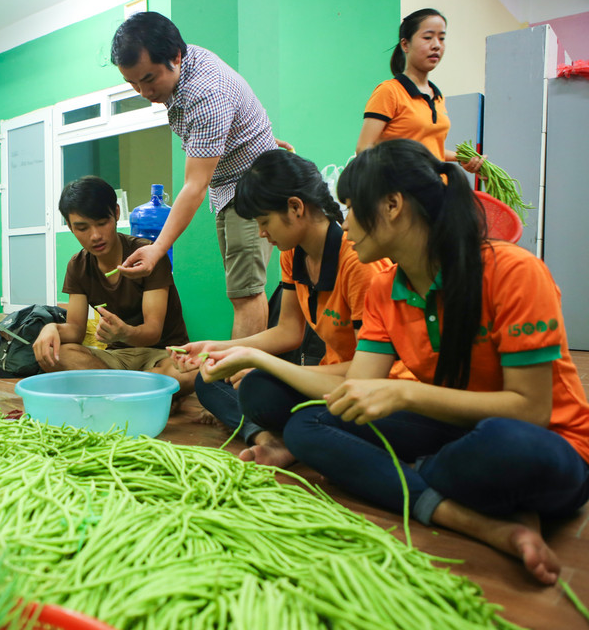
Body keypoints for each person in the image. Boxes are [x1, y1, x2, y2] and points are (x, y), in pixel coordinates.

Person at [198, 139, 589, 585]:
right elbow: (353, 391)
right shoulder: (387, 288)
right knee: (309, 427)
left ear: (392, 205)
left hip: (543, 439)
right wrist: (251, 359)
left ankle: (422, 478)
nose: (345, 223)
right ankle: (470, 511)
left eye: (349, 208)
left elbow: (533, 411)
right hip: (449, 431)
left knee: (504, 444)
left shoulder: (515, 272)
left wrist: (403, 392)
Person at [173, 150, 396, 465]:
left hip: (356, 385)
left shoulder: (360, 263)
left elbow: (367, 372)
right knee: (209, 380)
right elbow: (289, 331)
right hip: (321, 381)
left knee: (257, 388)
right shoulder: (293, 253)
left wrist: (267, 366)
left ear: (295, 207)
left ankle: (281, 435)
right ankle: (270, 438)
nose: (263, 233)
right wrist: (218, 349)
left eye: (265, 222)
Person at [110, 11, 289, 339]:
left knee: (246, 292)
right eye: (132, 83)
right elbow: (237, 108)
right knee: (242, 290)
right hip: (231, 185)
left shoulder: (205, 95)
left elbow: (195, 185)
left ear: (175, 57)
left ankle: (242, 384)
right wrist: (260, 136)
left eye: (148, 79)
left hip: (252, 189)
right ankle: (241, 376)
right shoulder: (186, 63)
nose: (142, 91)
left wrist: (158, 247)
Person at [33, 176, 195, 395]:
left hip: (163, 355)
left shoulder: (147, 255)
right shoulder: (78, 265)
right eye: (82, 228)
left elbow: (153, 332)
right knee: (57, 354)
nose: (96, 236)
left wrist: (123, 332)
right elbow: (76, 331)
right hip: (117, 360)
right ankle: (149, 393)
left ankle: (117, 391)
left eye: (102, 223)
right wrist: (50, 328)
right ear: (70, 227)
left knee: (190, 371)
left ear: (117, 214)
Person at [356, 8, 484, 173]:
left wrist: (461, 158)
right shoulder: (389, 91)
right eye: (428, 37)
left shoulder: (438, 97)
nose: (436, 45)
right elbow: (364, 149)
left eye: (442, 38)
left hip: (437, 190)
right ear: (405, 44)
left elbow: (429, 150)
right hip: (404, 193)